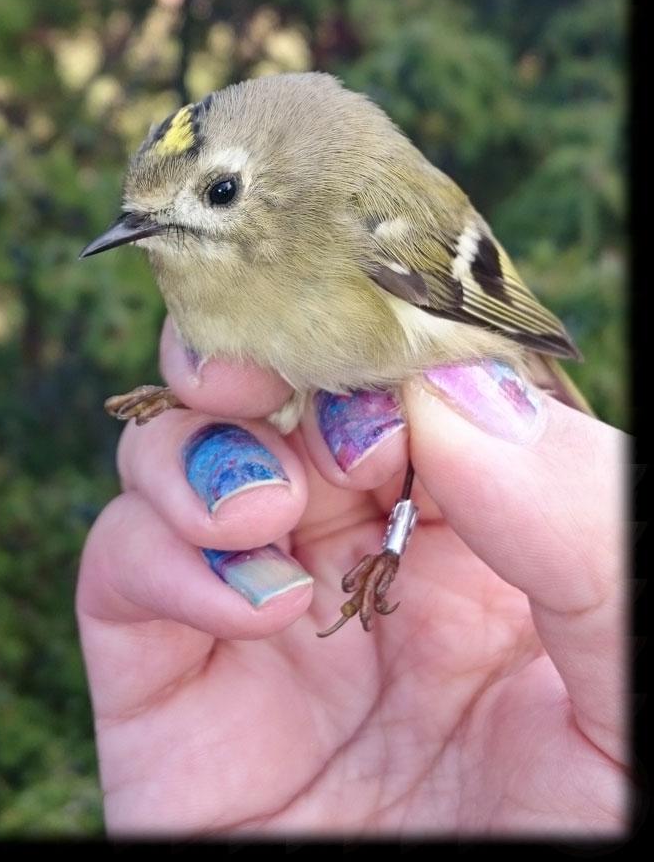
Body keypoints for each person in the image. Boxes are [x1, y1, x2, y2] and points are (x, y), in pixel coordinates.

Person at [76, 318, 629, 836]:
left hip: (433, 392)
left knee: (413, 422)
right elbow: (289, 383)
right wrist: (188, 398)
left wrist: (392, 550)